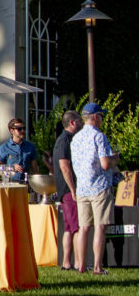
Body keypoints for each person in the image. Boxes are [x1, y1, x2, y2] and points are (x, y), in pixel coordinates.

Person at [71, 102, 117, 275]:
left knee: (83, 228)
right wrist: (115, 160)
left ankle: (81, 265)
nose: (102, 120)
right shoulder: (99, 136)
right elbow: (105, 163)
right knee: (99, 226)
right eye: (102, 117)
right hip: (99, 186)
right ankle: (97, 267)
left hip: (82, 187)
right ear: (96, 117)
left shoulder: (76, 138)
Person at [52, 110, 82, 272]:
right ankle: (76, 263)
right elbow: (64, 166)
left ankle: (67, 262)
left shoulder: (65, 139)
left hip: (66, 190)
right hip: (69, 190)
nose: (82, 123)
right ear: (72, 122)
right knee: (76, 227)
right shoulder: (65, 140)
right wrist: (73, 190)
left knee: (70, 227)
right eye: (79, 120)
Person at [0, 118, 37, 183]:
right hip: (10, 184)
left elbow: (35, 170)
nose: (23, 131)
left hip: (25, 184)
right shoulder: (3, 148)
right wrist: (11, 168)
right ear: (12, 131)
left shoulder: (30, 146)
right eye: (19, 129)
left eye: (24, 128)